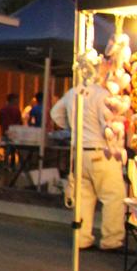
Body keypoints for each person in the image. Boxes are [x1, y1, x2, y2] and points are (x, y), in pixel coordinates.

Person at [51, 85, 125, 250]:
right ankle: (111, 240)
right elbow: (108, 124)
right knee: (113, 197)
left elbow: (55, 114)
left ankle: (82, 238)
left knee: (83, 198)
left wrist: (74, 127)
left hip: (79, 152)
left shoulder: (72, 92)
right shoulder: (102, 95)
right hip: (100, 150)